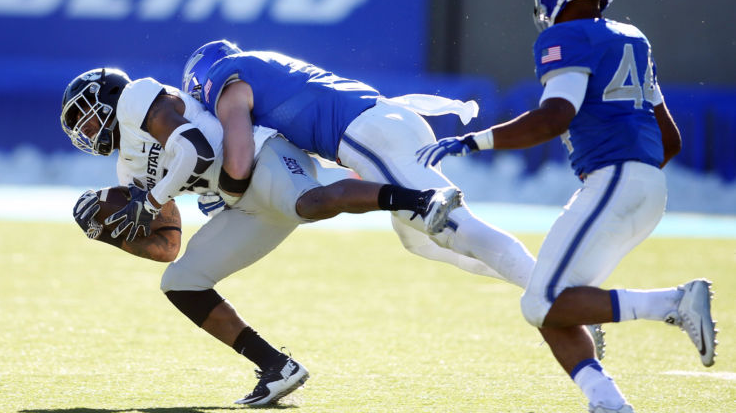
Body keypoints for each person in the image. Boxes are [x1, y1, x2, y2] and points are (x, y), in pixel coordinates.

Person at [417, 0, 717, 413]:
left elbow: (555, 117)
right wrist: (632, 177)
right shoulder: (633, 38)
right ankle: (610, 408)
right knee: (547, 304)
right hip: (644, 185)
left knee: (543, 301)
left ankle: (673, 302)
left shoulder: (568, 38)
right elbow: (671, 139)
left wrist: (475, 142)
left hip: (616, 180)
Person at [60, 67, 459, 406]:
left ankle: (422, 199)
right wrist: (115, 236)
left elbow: (194, 150)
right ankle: (276, 366)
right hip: (242, 202)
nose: (85, 128)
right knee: (181, 282)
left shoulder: (135, 98)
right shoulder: (127, 173)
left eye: (84, 114)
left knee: (306, 202)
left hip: (258, 154)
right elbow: (168, 245)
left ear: (107, 94)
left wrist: (149, 201)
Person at [180, 43, 538, 294]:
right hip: (391, 121)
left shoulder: (225, 79)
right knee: (419, 240)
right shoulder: (263, 68)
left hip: (368, 133)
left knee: (454, 229)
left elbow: (239, 159)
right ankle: (533, 285)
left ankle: (551, 293)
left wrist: (226, 194)